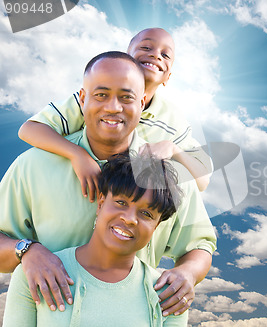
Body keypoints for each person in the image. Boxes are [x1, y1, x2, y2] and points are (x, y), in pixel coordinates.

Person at [0, 51, 216, 318]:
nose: (113, 107)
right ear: (82, 98)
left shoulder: (169, 176)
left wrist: (187, 273)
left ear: (143, 101)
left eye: (126, 97)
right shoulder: (32, 166)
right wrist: (26, 251)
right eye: (101, 95)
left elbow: (200, 244)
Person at [18, 27, 212, 200]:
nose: (156, 55)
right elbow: (29, 129)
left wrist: (173, 149)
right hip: (73, 194)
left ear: (168, 77)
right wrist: (77, 154)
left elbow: (202, 182)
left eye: (165, 54)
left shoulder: (173, 120)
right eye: (146, 48)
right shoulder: (94, 100)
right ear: (126, 57)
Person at [2, 154, 188, 327]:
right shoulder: (36, 273)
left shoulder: (169, 295)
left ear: (155, 227)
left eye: (147, 214)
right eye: (121, 202)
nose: (130, 219)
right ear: (100, 204)